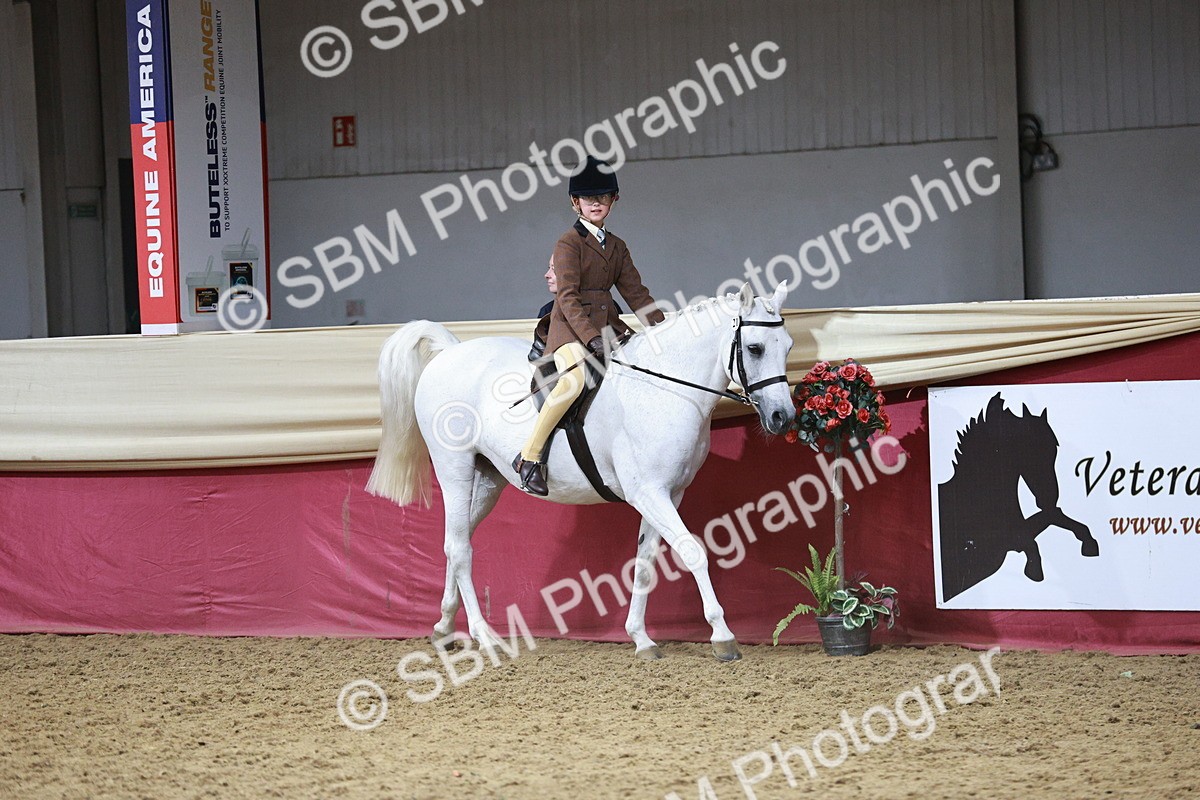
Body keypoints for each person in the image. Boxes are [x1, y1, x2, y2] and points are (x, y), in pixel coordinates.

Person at [512, 156, 666, 496]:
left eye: (602, 197)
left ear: (614, 200)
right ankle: (530, 458)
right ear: (575, 202)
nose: (595, 203)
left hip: (609, 329)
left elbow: (636, 294)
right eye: (587, 198)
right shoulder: (568, 242)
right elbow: (566, 297)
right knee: (576, 379)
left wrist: (662, 330)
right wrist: (591, 339)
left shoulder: (618, 246)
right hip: (569, 329)